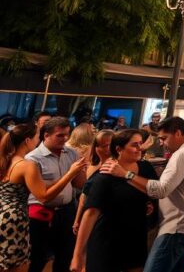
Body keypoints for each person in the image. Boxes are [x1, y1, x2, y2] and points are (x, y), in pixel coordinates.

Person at [99, 117, 184, 272]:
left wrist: (126, 174)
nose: (161, 143)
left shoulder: (183, 155)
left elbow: (161, 190)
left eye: (164, 138)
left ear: (178, 133)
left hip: (177, 224)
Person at [70, 129, 158, 272]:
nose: (139, 148)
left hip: (135, 236)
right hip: (107, 239)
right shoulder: (105, 174)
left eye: (140, 144)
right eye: (134, 145)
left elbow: (154, 190)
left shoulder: (145, 168)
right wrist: (78, 255)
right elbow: (90, 213)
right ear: (118, 149)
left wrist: (148, 202)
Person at [2, 124, 86, 272]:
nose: (37, 141)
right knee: (18, 265)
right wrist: (70, 174)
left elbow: (39, 185)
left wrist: (67, 176)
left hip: (4, 214)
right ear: (28, 140)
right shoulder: (27, 164)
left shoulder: (6, 160)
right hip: (16, 218)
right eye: (36, 137)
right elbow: (44, 197)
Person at [25, 117, 87, 272]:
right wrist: (70, 173)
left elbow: (80, 184)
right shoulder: (33, 158)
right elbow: (43, 196)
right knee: (38, 258)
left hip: (66, 211)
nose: (65, 139)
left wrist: (81, 169)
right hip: (41, 214)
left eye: (67, 134)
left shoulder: (71, 152)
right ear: (46, 135)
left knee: (65, 256)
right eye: (60, 135)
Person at [72, 128, 113, 236]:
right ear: (96, 148)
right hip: (90, 215)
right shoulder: (92, 167)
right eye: (103, 146)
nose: (107, 149)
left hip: (108, 216)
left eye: (110, 145)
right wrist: (77, 219)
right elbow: (84, 196)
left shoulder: (118, 168)